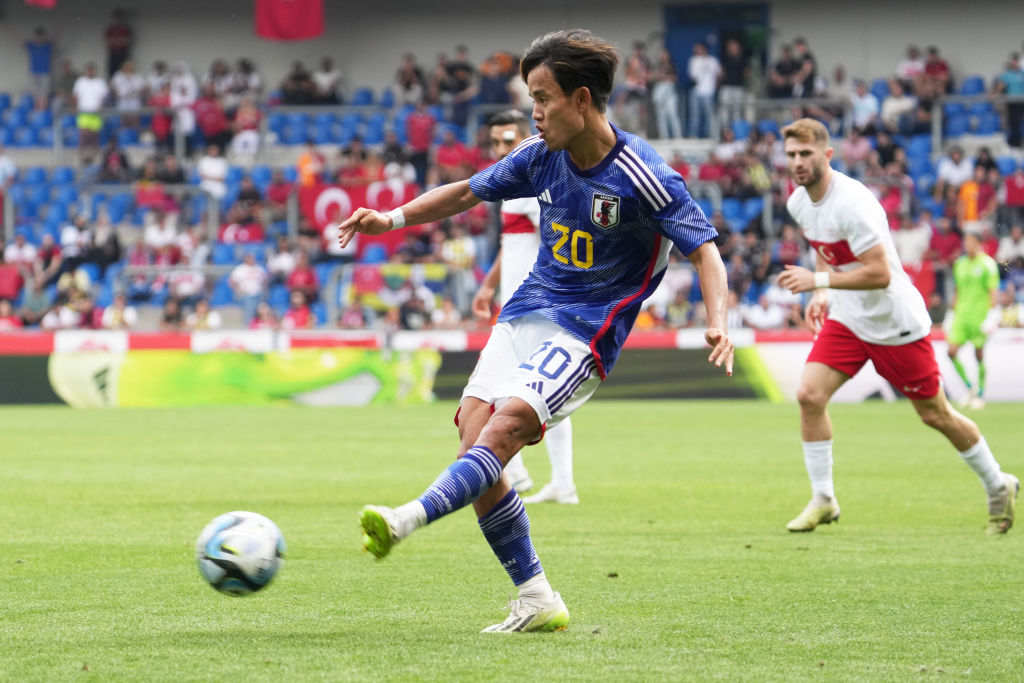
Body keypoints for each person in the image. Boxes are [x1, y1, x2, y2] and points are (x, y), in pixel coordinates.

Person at [338, 29, 733, 633]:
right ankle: (536, 598)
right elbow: (469, 191)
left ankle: (406, 518)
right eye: (531, 99)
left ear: (581, 99)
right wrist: (390, 218)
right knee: (473, 430)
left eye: (543, 98)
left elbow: (705, 251)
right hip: (526, 311)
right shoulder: (539, 154)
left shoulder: (643, 173)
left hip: (586, 329)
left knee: (503, 429)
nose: (535, 112)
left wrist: (717, 323)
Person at [776, 118, 1017, 536]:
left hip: (894, 324)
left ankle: (999, 484)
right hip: (849, 318)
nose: (798, 162)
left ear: (827, 155)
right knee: (809, 395)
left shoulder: (853, 202)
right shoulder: (799, 202)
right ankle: (824, 498)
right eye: (792, 155)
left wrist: (817, 282)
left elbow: (880, 274)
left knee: (936, 415)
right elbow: (823, 249)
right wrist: (821, 294)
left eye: (806, 154)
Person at [470, 109, 579, 504]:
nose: (501, 149)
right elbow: (511, 246)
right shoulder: (513, 184)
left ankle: (522, 473)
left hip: (537, 304)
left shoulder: (536, 187)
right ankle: (550, 480)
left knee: (522, 392)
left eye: (508, 140)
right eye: (495, 142)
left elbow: (557, 242)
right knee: (529, 393)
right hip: (514, 301)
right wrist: (488, 286)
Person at [948, 232, 1001, 409]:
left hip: (979, 315)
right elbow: (957, 289)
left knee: (978, 354)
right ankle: (970, 388)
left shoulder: (988, 264)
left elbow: (993, 292)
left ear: (978, 243)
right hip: (961, 315)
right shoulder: (960, 264)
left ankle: (980, 395)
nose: (967, 245)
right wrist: (951, 312)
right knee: (951, 352)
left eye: (970, 242)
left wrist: (992, 315)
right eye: (966, 241)